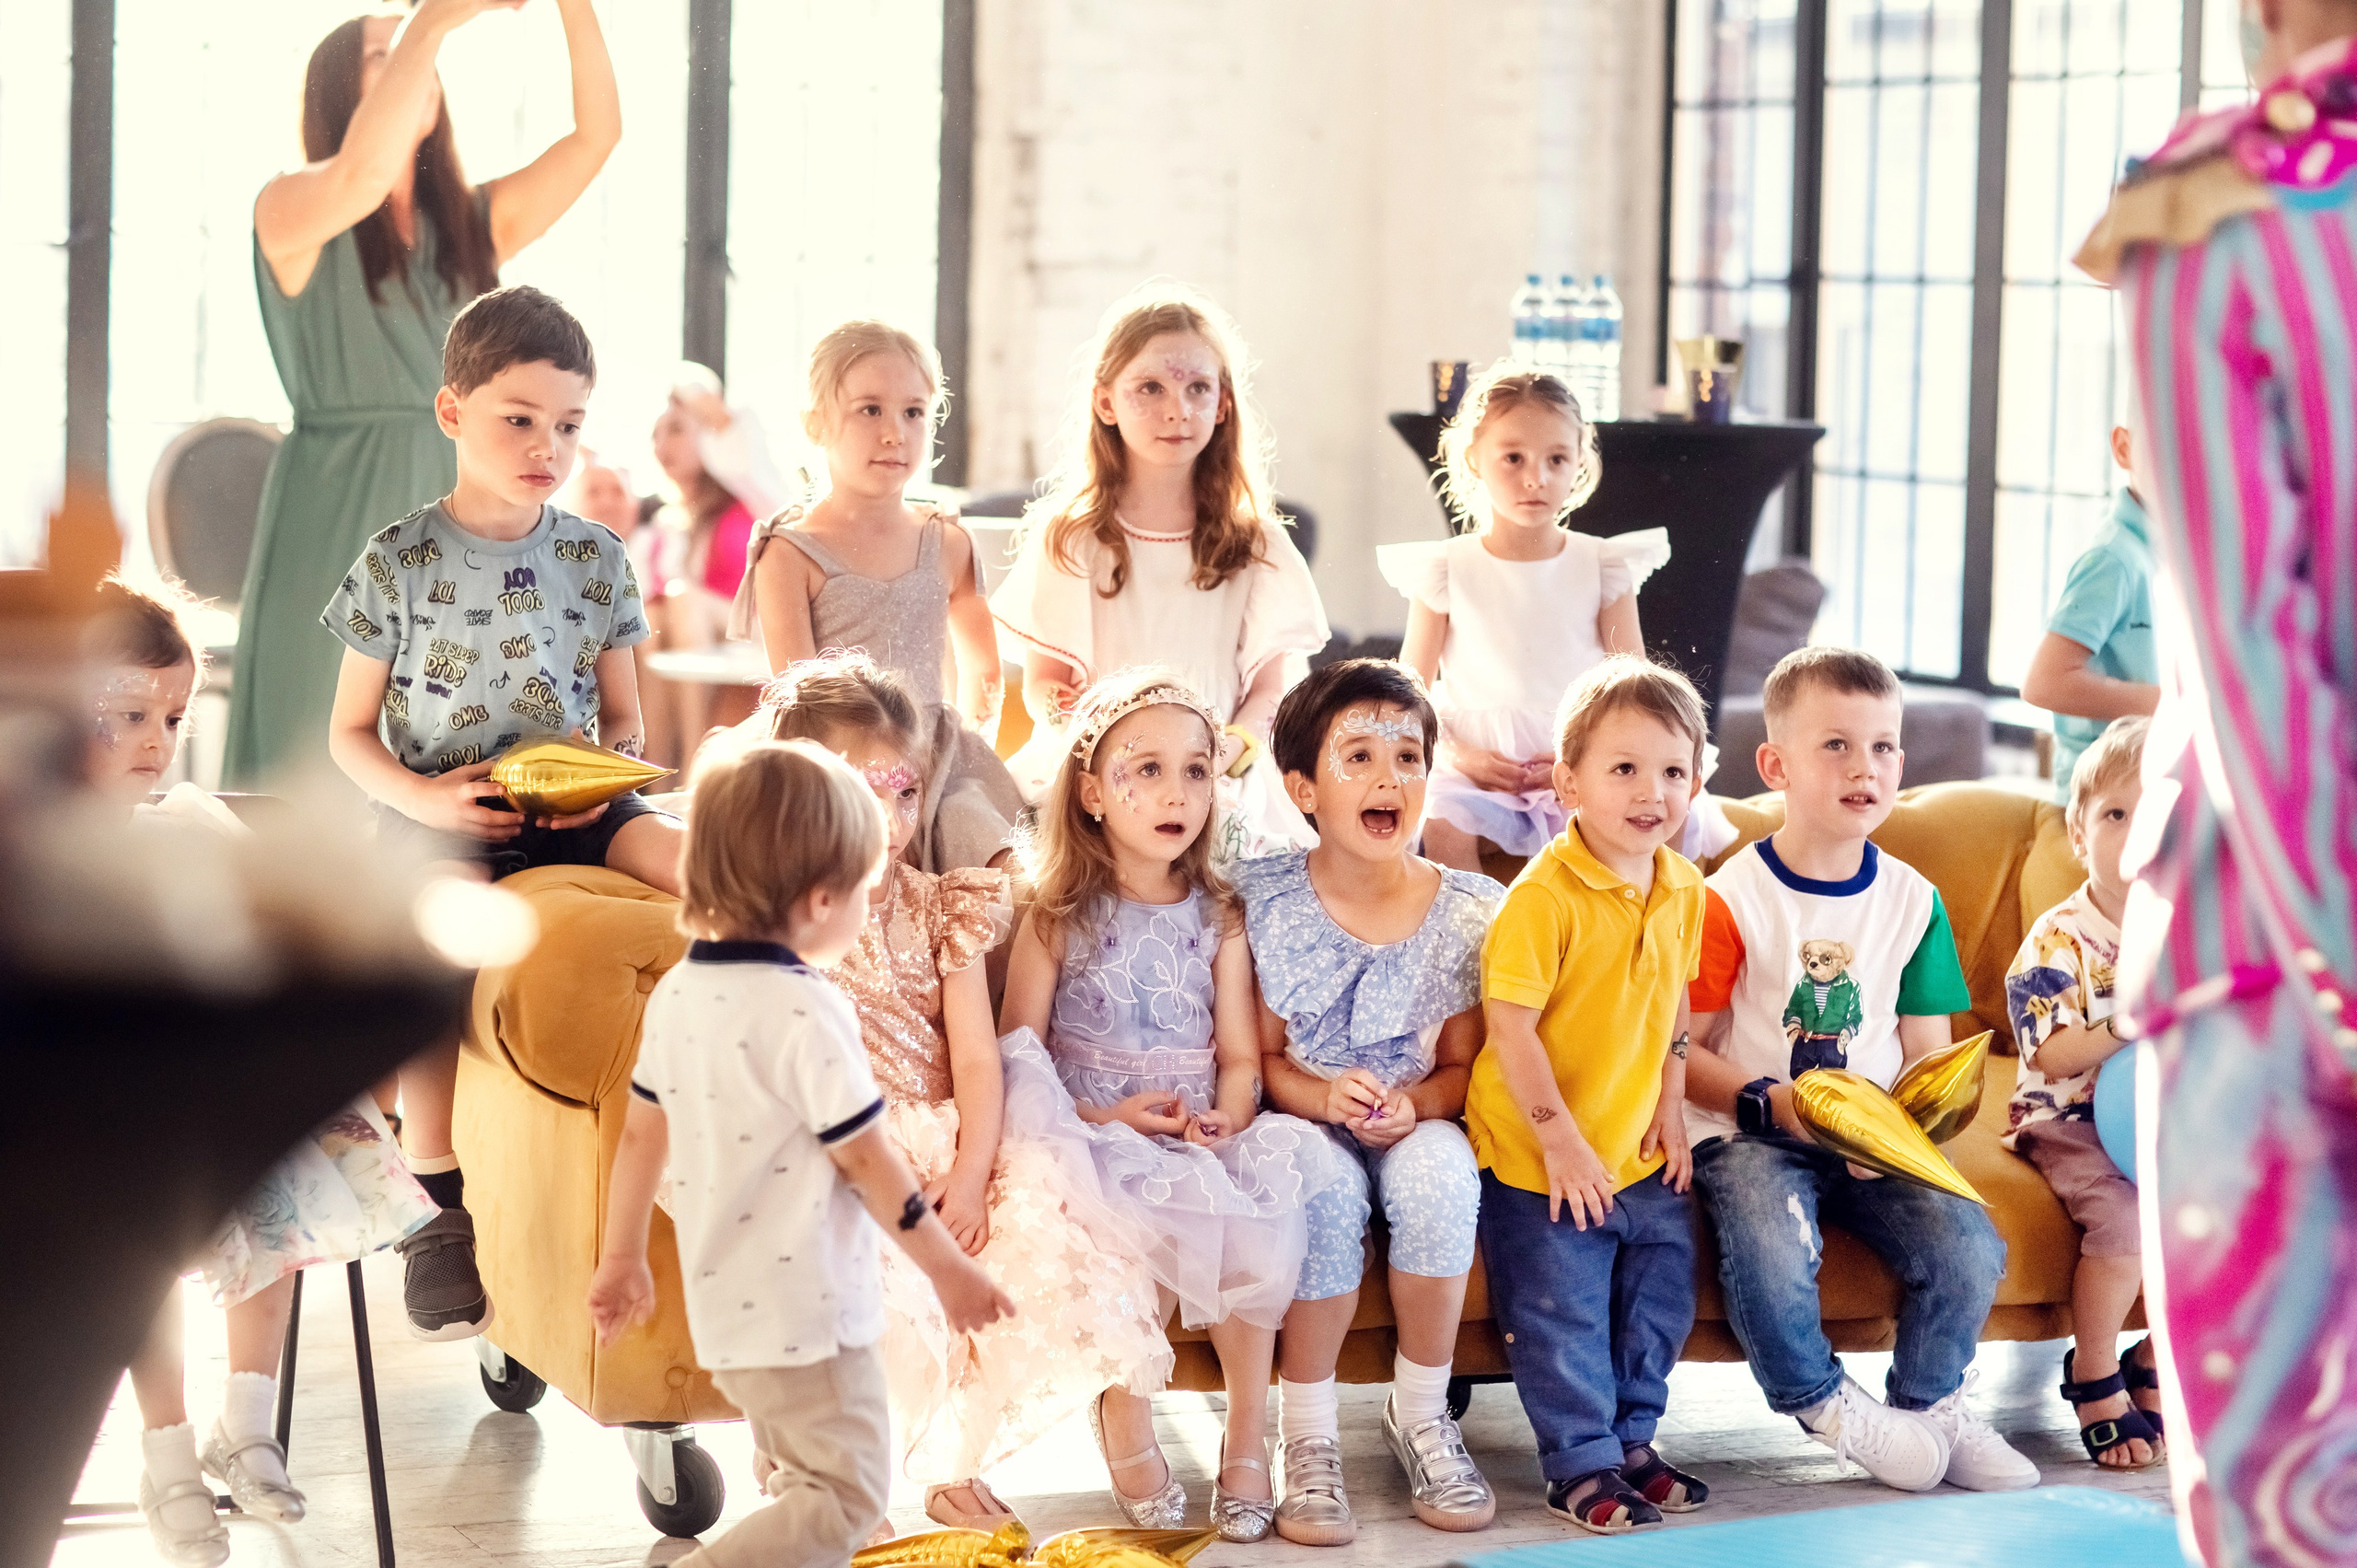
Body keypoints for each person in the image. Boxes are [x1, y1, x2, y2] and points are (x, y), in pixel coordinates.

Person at [2074, 11, 2357, 1561]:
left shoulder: (2216, 200)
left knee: (2279, 1499)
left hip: (2265, 945)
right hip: (2276, 936)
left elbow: (2252, 654)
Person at [321, 285, 682, 1340]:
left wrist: (606, 767)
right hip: (439, 809)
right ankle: (435, 1195)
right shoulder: (398, 558)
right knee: (443, 931)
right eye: (518, 419)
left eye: (567, 424)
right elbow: (348, 737)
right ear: (453, 414)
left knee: (692, 864)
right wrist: (426, 795)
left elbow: (625, 718)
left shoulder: (596, 556)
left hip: (571, 803)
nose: (546, 445)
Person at [756, 654, 1169, 1531]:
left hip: (947, 1140)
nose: (892, 818)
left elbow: (978, 1059)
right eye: (861, 791)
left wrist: (976, 1173)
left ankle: (954, 1463)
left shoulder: (944, 904)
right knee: (869, 1291)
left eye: (905, 793)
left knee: (1044, 1257)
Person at [586, 738, 1014, 1568]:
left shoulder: (683, 990)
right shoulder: (807, 1009)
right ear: (822, 900)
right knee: (846, 1499)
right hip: (810, 1311)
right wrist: (948, 1269)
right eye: (861, 887)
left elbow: (641, 1133)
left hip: (730, 1310)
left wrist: (622, 1257)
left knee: (801, 1488)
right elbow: (867, 1160)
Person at [82, 578, 435, 1568]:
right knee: (134, 1239)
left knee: (276, 1175)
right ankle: (166, 1451)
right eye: (126, 716)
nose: (156, 739)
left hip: (215, 1091)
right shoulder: (46, 850)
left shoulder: (188, 822)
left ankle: (248, 1418)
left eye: (172, 716)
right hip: (108, 1115)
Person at [226, 0, 619, 785]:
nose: (411, 59)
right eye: (384, 53)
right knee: (320, 734)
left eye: (412, 51)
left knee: (455, 746)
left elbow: (596, 138)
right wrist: (433, 19)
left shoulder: (473, 226)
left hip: (465, 507)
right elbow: (364, 174)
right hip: (337, 504)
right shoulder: (290, 208)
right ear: (340, 92)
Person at [995, 669, 1344, 1542]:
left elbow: (1237, 1055)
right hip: (1090, 1132)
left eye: (1196, 770)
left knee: (1256, 1229)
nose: (1175, 792)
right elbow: (1018, 1057)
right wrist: (1104, 1124)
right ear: (1090, 791)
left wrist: (1226, 1116)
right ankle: (1125, 1418)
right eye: (1144, 770)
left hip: (1198, 1132)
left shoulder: (1219, 914)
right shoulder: (1053, 912)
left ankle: (1247, 1439)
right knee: (1125, 1227)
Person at [1682, 647, 2038, 1495]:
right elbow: (1679, 1049)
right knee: (1770, 1245)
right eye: (1835, 745)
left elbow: (1928, 1055)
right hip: (1752, 1134)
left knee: (1968, 1243)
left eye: (1882, 747)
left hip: (1875, 1136)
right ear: (1776, 765)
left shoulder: (1915, 899)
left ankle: (1931, 1408)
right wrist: (1770, 1104)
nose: (1864, 767)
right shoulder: (1731, 894)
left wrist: (1911, 1135)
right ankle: (1828, 1407)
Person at [1240, 659, 1500, 1544]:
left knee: (1440, 1178)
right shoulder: (1267, 897)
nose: (1389, 776)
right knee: (1322, 1190)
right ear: (1303, 788)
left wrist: (1415, 1106)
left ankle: (1423, 1413)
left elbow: (1464, 1068)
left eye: (1409, 756)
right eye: (1358, 757)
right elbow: (1265, 1058)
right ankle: (1306, 1436)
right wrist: (1321, 1093)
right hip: (1297, 1110)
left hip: (1414, 1111)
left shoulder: (1466, 910)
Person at [1466, 656, 1709, 1535]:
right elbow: (1512, 1030)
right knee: (1560, 1307)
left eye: (1674, 771)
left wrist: (1672, 1101)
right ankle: (1580, 1462)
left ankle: (1633, 1441)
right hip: (1542, 1152)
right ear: (1568, 781)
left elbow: (1676, 998)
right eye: (1625, 768)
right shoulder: (1541, 898)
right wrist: (1560, 1142)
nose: (1653, 792)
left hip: (1636, 1144)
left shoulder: (1683, 885)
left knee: (1661, 1291)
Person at [990, 286, 1330, 861]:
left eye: (1198, 388)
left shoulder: (1258, 544)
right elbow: (1046, 684)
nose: (1178, 410)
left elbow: (1272, 690)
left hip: (1219, 766)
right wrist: (1073, 720)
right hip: (1100, 765)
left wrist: (1224, 754)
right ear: (1105, 403)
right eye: (1150, 388)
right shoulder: (1071, 538)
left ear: (1222, 404)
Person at [732, 321, 1021, 870]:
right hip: (836, 757)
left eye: (914, 413)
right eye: (870, 410)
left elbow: (984, 672)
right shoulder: (790, 554)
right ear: (815, 423)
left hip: (936, 762)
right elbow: (801, 699)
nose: (895, 433)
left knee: (984, 844)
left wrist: (963, 752)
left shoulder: (947, 542)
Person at [1378, 364, 1673, 874]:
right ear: (1474, 459)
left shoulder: (1601, 565)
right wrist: (1461, 756)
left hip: (1579, 760)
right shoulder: (1448, 568)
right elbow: (1411, 690)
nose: (1535, 477)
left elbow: (1633, 689)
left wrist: (1579, 759)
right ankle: (1477, 948)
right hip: (1470, 765)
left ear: (1578, 461)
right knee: (1445, 819)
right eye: (1513, 457)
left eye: (1556, 458)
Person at [2002, 717, 2164, 1471]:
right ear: (2078, 831)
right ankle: (2094, 1372)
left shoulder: (2183, 927)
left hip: (2161, 1117)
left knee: (2222, 1217)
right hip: (2067, 1115)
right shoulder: (2057, 937)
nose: (2135, 835)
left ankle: (2158, 1358)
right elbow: (2052, 1049)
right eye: (2115, 814)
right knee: (2126, 1225)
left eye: (2154, 814)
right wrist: (2128, 1025)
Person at [639, 365, 788, 768]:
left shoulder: (751, 493)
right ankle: (655, 768)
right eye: (655, 434)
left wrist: (695, 399)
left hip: (760, 628)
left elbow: (737, 435)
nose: (660, 446)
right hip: (706, 636)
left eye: (675, 430)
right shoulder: (669, 523)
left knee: (681, 598)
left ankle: (691, 759)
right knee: (649, 617)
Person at [2017, 420, 2157, 802]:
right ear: (2123, 447)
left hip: (2147, 778)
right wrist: (2165, 705)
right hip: (2103, 797)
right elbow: (2043, 682)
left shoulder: (2171, 552)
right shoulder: (2114, 557)